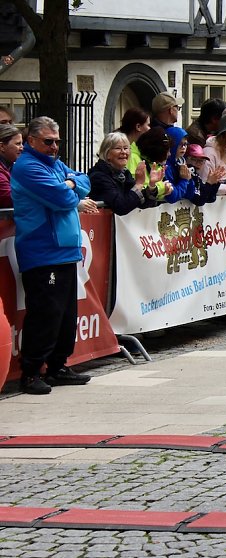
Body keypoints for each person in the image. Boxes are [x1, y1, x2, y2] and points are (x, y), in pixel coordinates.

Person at [11, 116, 98, 395]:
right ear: (31, 141)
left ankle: (58, 366)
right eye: (48, 141)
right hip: (42, 250)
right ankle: (32, 372)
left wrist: (70, 184)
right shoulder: (26, 167)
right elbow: (61, 198)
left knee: (65, 314)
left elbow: (86, 180)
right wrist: (71, 186)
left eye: (57, 141)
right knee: (45, 314)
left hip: (64, 249)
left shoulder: (54, 164)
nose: (54, 147)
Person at [87, 132, 158, 215]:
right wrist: (138, 184)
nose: (123, 152)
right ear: (107, 154)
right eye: (118, 148)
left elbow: (141, 203)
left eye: (126, 148)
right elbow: (121, 207)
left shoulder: (124, 173)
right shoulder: (99, 177)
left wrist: (152, 186)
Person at [0, 123, 23, 207]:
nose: (22, 148)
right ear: (2, 146)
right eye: (18, 144)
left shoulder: (11, 166)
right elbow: (11, 198)